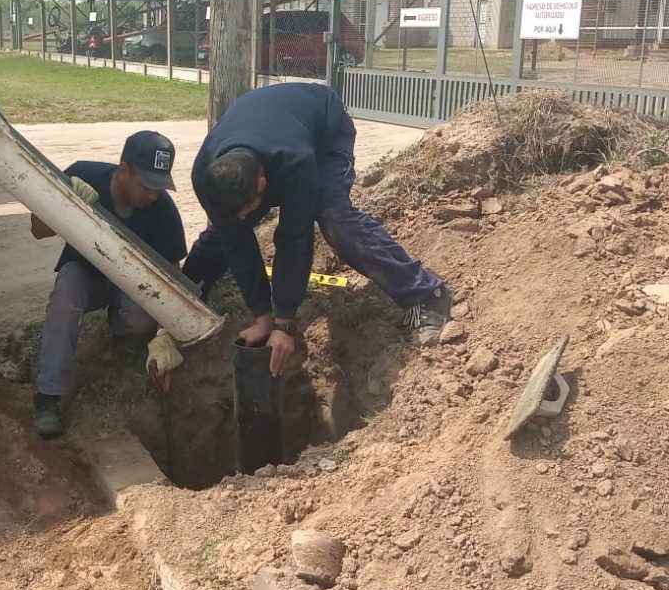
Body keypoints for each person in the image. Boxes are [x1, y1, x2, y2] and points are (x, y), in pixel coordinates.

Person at [181, 82, 451, 377]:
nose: (244, 217)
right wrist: (261, 316)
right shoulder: (204, 173)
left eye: (247, 209)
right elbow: (235, 240)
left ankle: (426, 294)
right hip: (273, 132)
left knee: (333, 217)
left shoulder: (296, 161)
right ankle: (181, 310)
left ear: (262, 185)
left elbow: (294, 240)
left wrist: (284, 323)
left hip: (323, 134)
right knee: (223, 235)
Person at [31, 131, 186, 438]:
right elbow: (38, 231)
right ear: (124, 169)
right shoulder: (83, 177)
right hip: (85, 274)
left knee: (139, 316)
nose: (154, 195)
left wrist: (165, 335)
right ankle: (48, 398)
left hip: (131, 284)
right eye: (147, 185)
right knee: (66, 293)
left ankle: (123, 339)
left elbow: (172, 278)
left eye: (159, 186)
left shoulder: (163, 211)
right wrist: (64, 204)